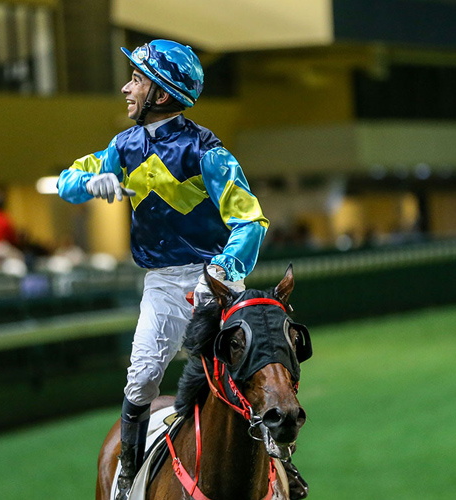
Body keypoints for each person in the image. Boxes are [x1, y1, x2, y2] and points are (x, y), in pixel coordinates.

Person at [57, 40, 305, 500]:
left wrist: (225, 269)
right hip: (162, 285)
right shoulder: (122, 147)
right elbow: (64, 182)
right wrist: (90, 180)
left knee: (257, 374)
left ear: (161, 94)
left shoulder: (207, 152)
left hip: (217, 284)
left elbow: (250, 220)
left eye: (136, 79)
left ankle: (284, 467)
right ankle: (129, 474)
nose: (126, 87)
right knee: (141, 377)